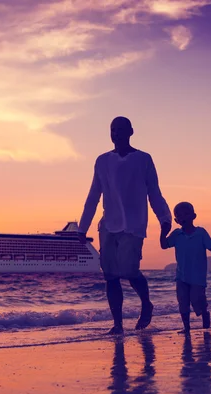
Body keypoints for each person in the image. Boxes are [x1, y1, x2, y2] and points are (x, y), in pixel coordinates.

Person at [78, 116, 172, 335]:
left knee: (130, 271)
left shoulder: (143, 159)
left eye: (121, 129)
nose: (116, 133)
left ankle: (146, 304)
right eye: (113, 130)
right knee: (110, 275)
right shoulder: (102, 160)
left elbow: (154, 192)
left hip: (134, 224)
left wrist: (164, 219)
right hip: (108, 226)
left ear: (131, 131)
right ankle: (118, 324)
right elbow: (94, 195)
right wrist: (82, 228)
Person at [160, 202, 211, 335]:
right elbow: (164, 245)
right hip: (181, 276)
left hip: (197, 276)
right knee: (183, 302)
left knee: (197, 300)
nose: (183, 217)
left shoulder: (201, 232)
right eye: (179, 216)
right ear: (176, 220)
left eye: (186, 214)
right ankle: (186, 327)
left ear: (193, 216)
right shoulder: (176, 234)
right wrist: (163, 233)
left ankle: (205, 315)